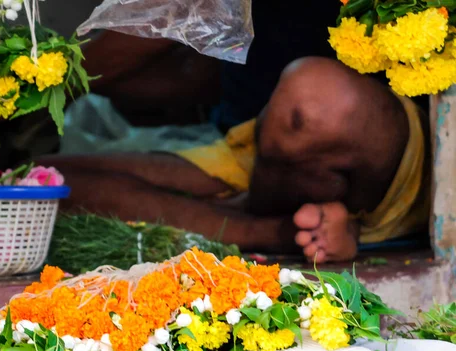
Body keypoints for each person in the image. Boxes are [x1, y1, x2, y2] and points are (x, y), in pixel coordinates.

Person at [36, 4, 431, 263]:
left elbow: (177, 12)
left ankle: (301, 226)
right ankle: (283, 230)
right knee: (43, 179)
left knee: (312, 102)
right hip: (262, 149)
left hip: (374, 141)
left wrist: (45, 84)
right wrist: (43, 86)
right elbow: (187, 54)